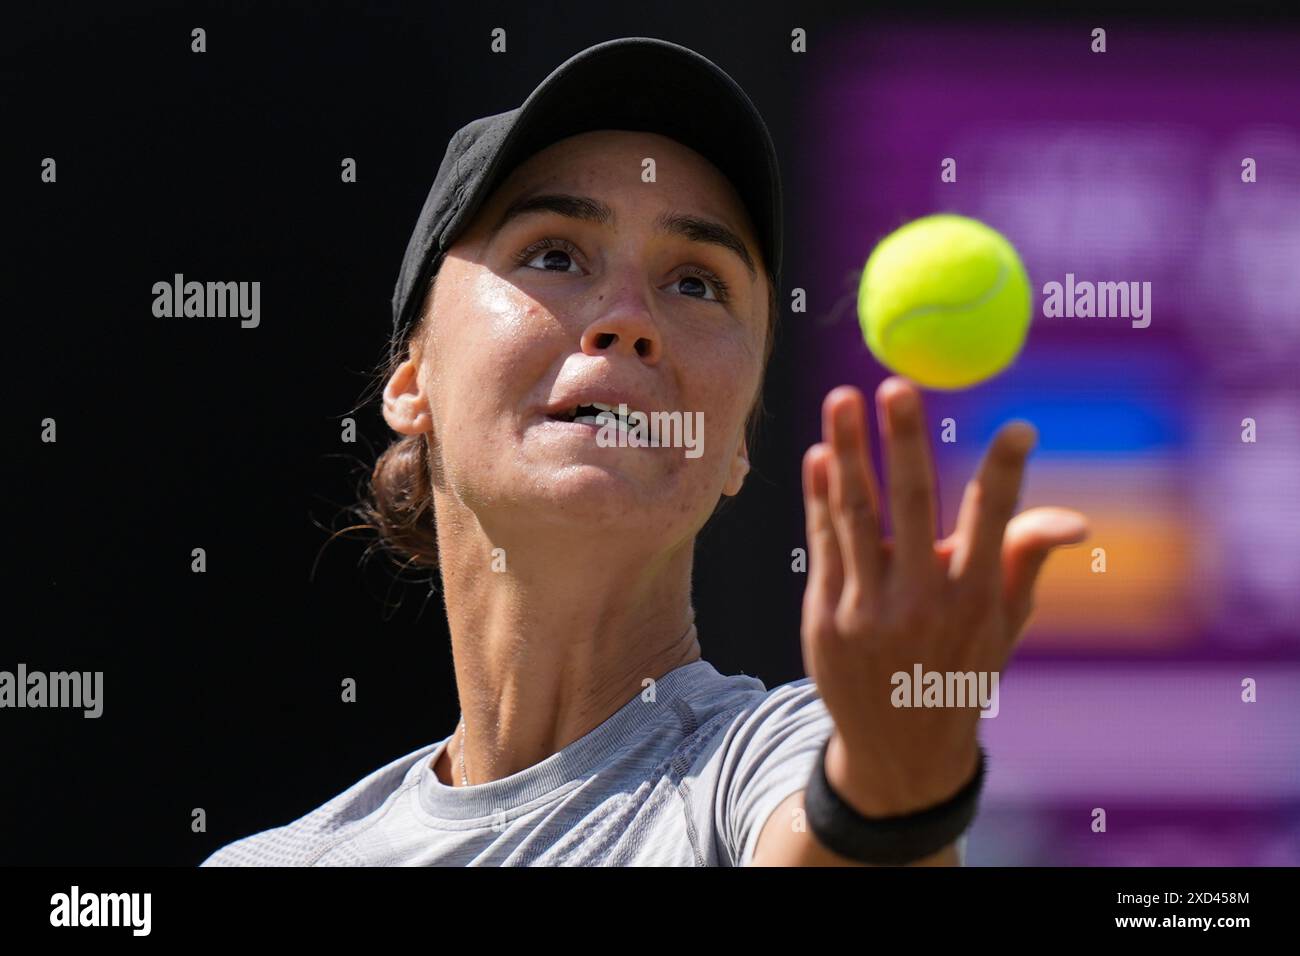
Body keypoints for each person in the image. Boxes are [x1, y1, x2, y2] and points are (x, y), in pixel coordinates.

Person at [201, 36, 1087, 867]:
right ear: (412, 380)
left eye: (696, 282)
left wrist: (899, 788)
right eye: (554, 254)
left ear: (737, 444)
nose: (627, 319)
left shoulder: (774, 763)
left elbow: (825, 835)